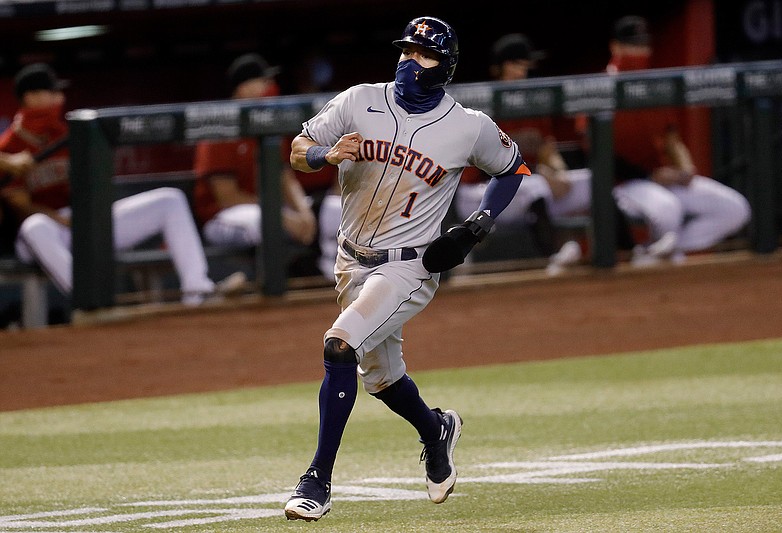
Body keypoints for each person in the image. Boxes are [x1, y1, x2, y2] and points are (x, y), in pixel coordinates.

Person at [283, 16, 530, 521]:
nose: (407, 61)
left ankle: (317, 481)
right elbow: (297, 151)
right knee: (382, 380)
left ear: (445, 68)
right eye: (405, 50)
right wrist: (324, 155)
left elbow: (513, 168)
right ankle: (435, 428)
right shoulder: (358, 100)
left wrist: (479, 222)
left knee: (340, 345)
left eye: (422, 55)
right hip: (350, 260)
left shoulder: (468, 126)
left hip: (410, 268)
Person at [0, 63, 242, 306]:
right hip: (43, 233)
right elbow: (21, 207)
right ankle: (89, 301)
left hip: (81, 222)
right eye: (52, 93)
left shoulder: (69, 134)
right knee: (35, 227)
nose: (59, 98)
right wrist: (66, 221)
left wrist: (88, 213)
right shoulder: (9, 146)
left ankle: (198, 289)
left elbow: (91, 186)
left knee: (170, 200)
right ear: (30, 97)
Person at [607, 16, 751, 263]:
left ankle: (662, 253)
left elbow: (672, 138)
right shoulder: (601, 88)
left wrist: (686, 168)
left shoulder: (653, 86)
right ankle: (663, 256)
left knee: (734, 209)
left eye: (643, 45)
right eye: (633, 45)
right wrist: (649, 176)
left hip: (664, 177)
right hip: (625, 184)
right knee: (668, 210)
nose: (640, 51)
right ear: (615, 47)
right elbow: (598, 154)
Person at [456, 33, 584, 274]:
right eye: (516, 64)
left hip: (525, 190)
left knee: (588, 182)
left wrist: (559, 173)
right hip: (478, 194)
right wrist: (541, 173)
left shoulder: (534, 101)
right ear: (499, 68)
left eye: (526, 65)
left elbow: (547, 149)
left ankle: (628, 254)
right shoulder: (484, 106)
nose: (522, 71)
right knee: (535, 186)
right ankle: (554, 254)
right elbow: (488, 167)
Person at [193, 53, 317, 254]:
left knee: (328, 212)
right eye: (263, 81)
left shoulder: (267, 124)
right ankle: (268, 284)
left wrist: (304, 212)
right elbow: (228, 197)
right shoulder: (221, 128)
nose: (270, 86)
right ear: (244, 88)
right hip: (222, 218)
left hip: (266, 208)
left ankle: (328, 277)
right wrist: (279, 214)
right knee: (262, 222)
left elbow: (284, 175)